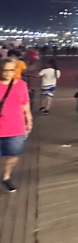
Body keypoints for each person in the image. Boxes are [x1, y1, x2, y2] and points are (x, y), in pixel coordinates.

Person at [0, 57, 32, 192]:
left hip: (16, 127)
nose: (7, 73)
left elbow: (25, 104)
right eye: (4, 70)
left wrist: (29, 119)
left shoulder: (22, 85)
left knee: (14, 155)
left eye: (11, 70)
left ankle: (6, 176)